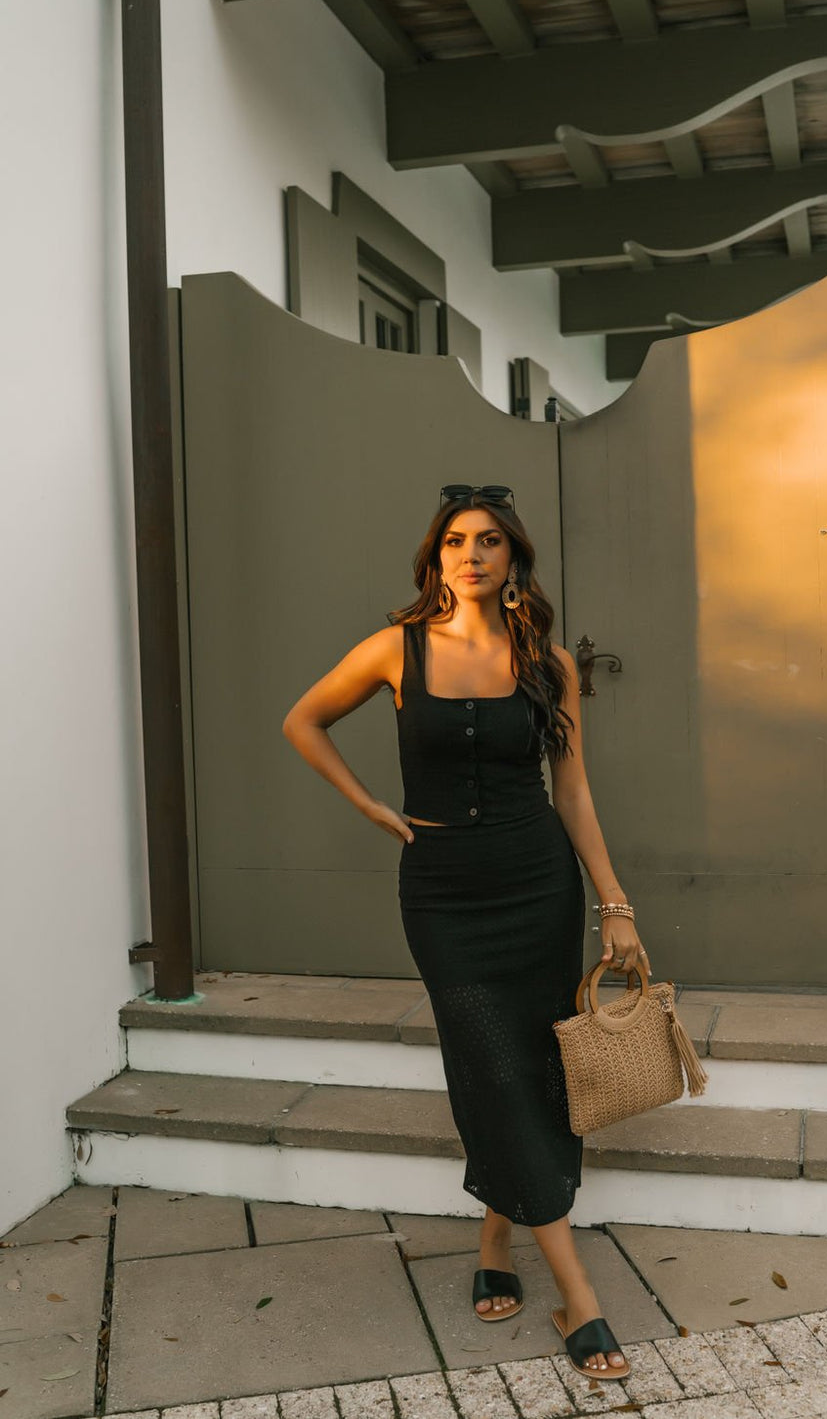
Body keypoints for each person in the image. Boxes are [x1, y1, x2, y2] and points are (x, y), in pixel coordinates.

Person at [282, 482, 651, 1379]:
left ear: (512, 557)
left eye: (489, 541)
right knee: (487, 1059)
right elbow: (304, 719)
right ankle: (580, 1292)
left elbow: (573, 791)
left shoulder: (547, 661)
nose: (471, 555)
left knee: (529, 1060)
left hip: (537, 885)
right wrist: (370, 804)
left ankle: (497, 1237)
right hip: (445, 893)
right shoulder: (395, 649)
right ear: (434, 556)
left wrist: (615, 906)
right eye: (455, 541)